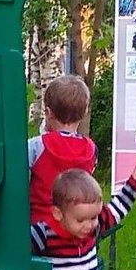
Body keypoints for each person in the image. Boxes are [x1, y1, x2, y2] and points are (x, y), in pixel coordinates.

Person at [28, 75, 97, 223]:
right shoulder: (91, 149)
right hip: (77, 229)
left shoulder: (36, 146)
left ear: (48, 112)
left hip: (41, 230)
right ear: (84, 113)